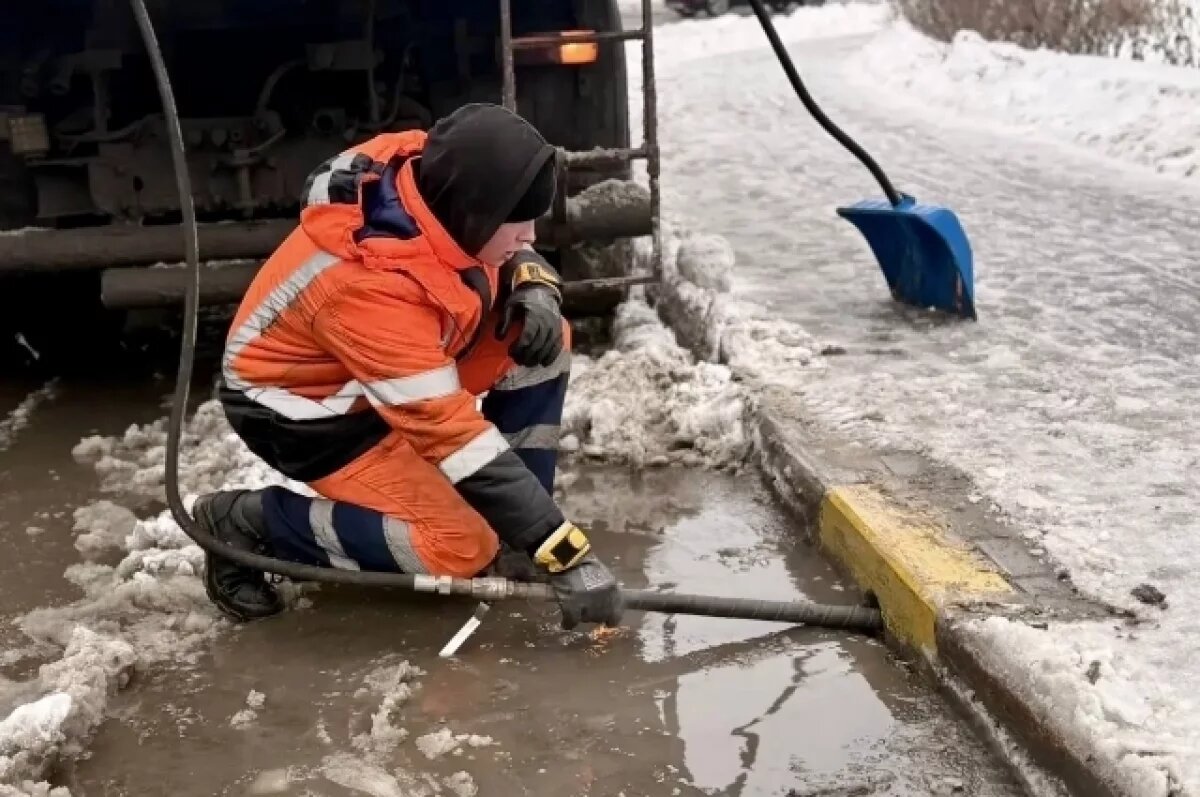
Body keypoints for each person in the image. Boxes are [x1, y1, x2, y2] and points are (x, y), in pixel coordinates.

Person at [192, 102, 623, 631]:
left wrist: (533, 283)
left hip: (389, 368)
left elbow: (509, 251)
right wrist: (566, 556)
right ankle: (246, 524)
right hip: (311, 413)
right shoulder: (365, 284)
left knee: (542, 337)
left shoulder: (436, 179)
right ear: (475, 215)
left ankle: (514, 538)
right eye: (518, 222)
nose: (530, 235)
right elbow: (452, 435)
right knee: (460, 549)